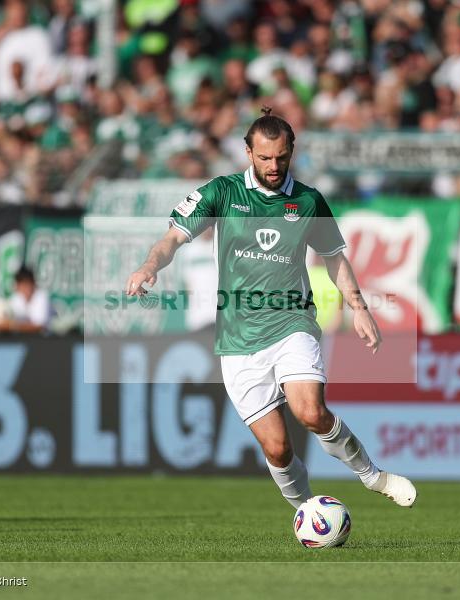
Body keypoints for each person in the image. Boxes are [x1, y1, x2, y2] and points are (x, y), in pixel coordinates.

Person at [125, 108, 416, 510]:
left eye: (281, 157)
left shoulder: (308, 200)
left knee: (310, 412)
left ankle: (373, 476)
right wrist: (148, 266)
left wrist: (359, 307)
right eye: (264, 158)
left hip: (291, 321)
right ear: (248, 153)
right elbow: (172, 239)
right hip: (238, 339)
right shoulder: (222, 193)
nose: (274, 165)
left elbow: (334, 257)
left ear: (292, 150)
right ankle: (308, 511)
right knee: (278, 449)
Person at [0, 266, 51, 333]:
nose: (25, 288)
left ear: (33, 283)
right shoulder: (18, 298)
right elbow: (5, 315)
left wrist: (9, 326)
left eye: (27, 283)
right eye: (21, 284)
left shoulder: (41, 297)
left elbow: (39, 327)